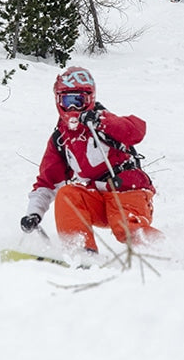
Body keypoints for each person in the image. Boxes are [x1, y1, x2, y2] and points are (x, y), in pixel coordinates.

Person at [20, 66, 162, 254]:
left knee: (124, 226)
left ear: (90, 99)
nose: (72, 108)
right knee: (68, 194)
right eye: (67, 100)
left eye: (78, 101)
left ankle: (165, 252)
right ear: (58, 100)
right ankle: (81, 252)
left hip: (128, 191)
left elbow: (137, 130)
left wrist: (102, 121)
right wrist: (34, 213)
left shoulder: (102, 120)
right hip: (98, 199)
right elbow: (46, 182)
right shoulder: (61, 140)